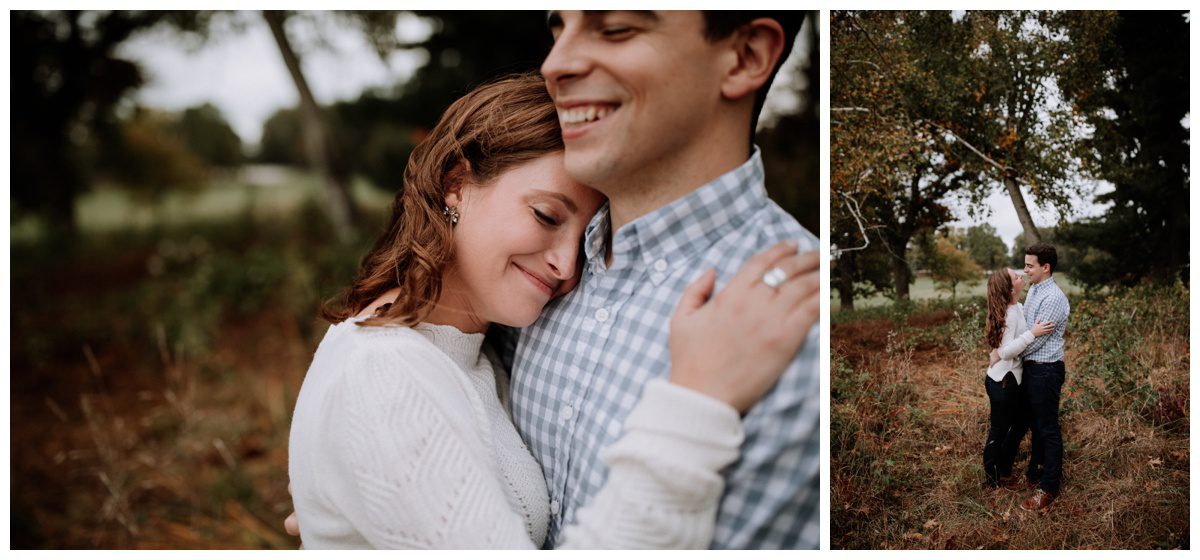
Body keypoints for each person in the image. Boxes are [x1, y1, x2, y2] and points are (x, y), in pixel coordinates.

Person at [285, 73, 821, 548]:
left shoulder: (472, 351)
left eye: (585, 234)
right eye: (545, 215)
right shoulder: (384, 374)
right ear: (455, 184)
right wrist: (696, 403)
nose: (568, 264)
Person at [503, 11, 819, 548]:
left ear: (745, 56)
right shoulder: (526, 270)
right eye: (559, 28)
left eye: (616, 28)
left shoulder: (802, 335)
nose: (554, 64)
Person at [983, 268, 1054, 487]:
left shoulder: (1016, 307)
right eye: (1015, 277)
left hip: (1010, 379)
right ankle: (993, 478)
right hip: (1003, 382)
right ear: (1009, 288)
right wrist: (1032, 333)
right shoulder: (1009, 314)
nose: (1020, 276)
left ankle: (1004, 468)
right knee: (999, 429)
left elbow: (1001, 349)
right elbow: (1005, 351)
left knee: (1021, 423)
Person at [1017, 243, 1071, 512]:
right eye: (1025, 265)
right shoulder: (1035, 289)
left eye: (1030, 265)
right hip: (1031, 367)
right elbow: (1028, 328)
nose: (1025, 270)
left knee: (1048, 428)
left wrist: (1011, 350)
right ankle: (1036, 470)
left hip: (1046, 369)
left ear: (1045, 267)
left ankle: (1049, 487)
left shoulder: (1053, 298)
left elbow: (1035, 341)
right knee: (1036, 425)